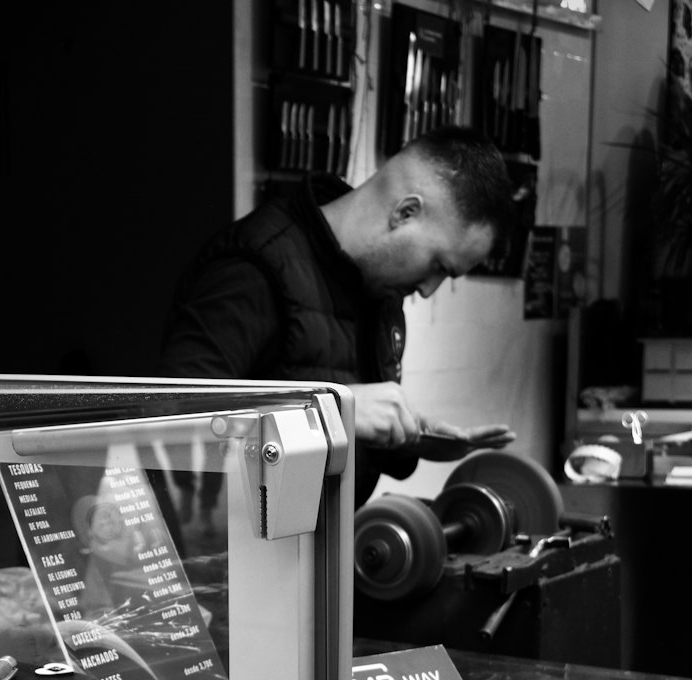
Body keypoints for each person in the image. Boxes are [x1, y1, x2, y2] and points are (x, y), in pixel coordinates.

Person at [158, 126, 517, 507]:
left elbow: (348, 423)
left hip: (320, 544)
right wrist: (326, 410)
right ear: (405, 213)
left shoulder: (380, 292)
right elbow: (175, 422)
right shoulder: (253, 269)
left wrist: (412, 436)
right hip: (242, 553)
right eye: (438, 265)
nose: (429, 289)